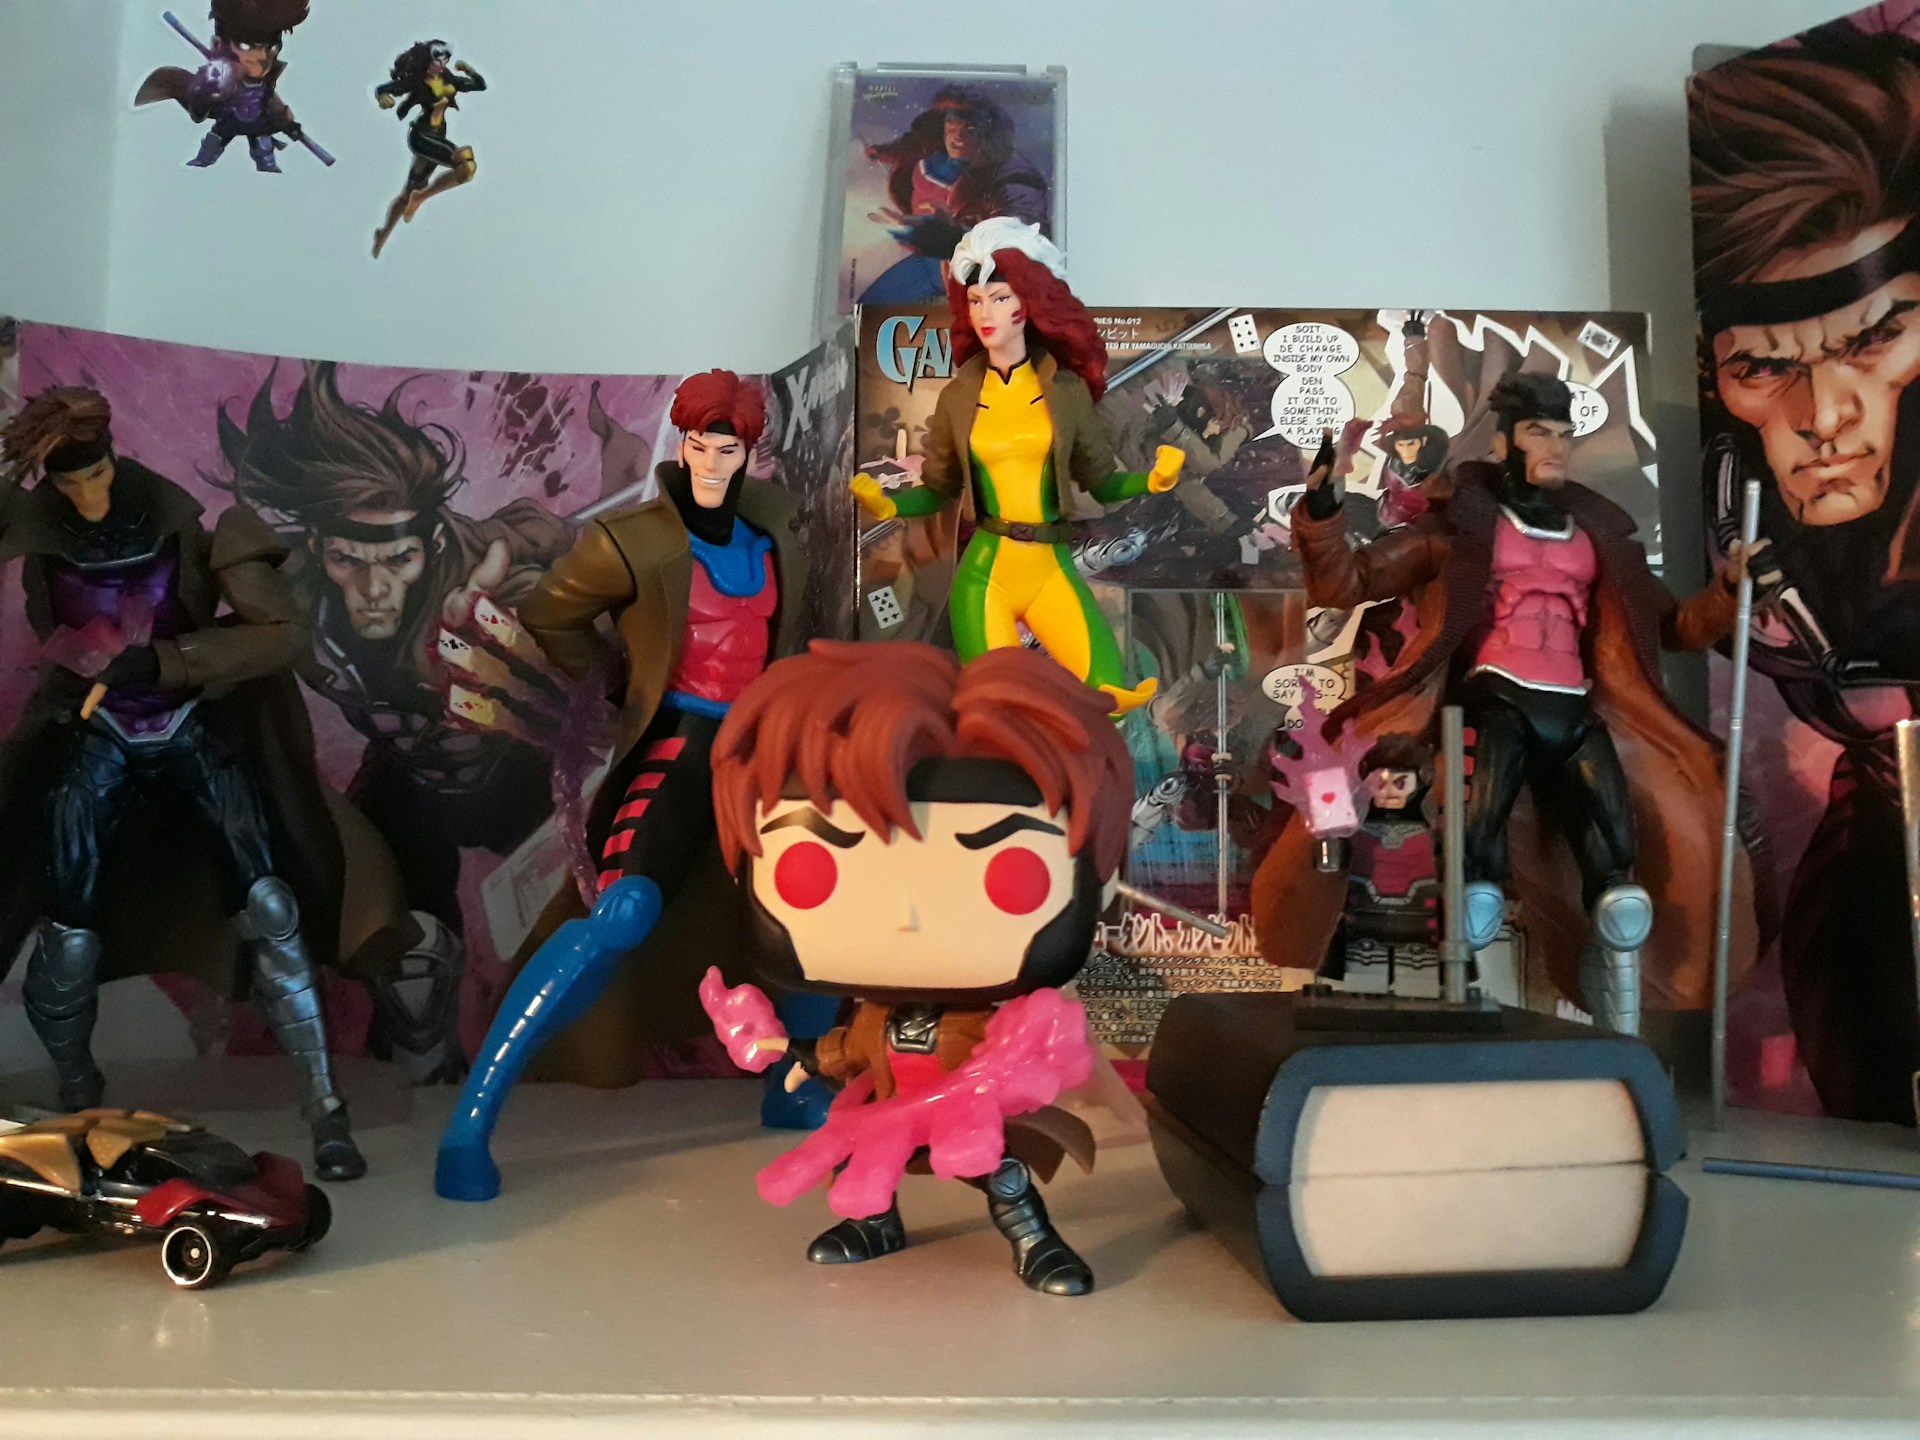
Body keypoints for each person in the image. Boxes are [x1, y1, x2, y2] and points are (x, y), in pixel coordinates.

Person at [1253, 374, 1761, 1035]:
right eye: (1539, 433)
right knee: (1482, 817)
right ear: (1502, 444)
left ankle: (1612, 922)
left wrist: (1728, 591)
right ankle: (1476, 889)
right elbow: (1349, 582)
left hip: (1574, 707)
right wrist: (1322, 511)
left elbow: (1677, 628)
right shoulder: (1456, 532)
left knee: (1615, 836)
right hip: (1494, 698)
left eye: (1564, 435)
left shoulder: (1600, 538)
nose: (1556, 447)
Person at [0, 387, 411, 1179]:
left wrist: (169, 662)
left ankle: (325, 1108)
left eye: (96, 474)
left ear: (114, 458)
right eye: (69, 481)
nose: (88, 496)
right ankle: (80, 1091)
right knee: (66, 935)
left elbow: (280, 635)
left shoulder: (191, 529)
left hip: (186, 724)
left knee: (273, 908)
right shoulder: (40, 535)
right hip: (97, 735)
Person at [435, 370, 810, 1201]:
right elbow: (553, 614)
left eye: (730, 449)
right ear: (684, 445)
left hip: (760, 748)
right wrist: (617, 685)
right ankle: (471, 1120)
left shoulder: (777, 532)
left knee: (810, 913)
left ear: (748, 454)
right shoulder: (633, 540)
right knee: (621, 914)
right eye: (701, 444)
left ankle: (797, 1085)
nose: (712, 462)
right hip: (677, 741)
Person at [709, 640, 1128, 1295]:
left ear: (1096, 883)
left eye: (1005, 872)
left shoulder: (990, 1020)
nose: (906, 914)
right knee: (861, 1168)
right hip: (887, 1112)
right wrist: (798, 1053)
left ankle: (1034, 1240)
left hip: (970, 1120)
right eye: (816, 871)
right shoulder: (873, 1016)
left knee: (1002, 1176)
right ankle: (874, 1225)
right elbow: (850, 1048)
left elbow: (1025, 1056)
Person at [217, 361, 573, 1084]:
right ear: (318, 549)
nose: (374, 588)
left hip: (516, 773)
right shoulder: (292, 602)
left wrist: (517, 636)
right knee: (402, 962)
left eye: (399, 559)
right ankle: (425, 1077)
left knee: (582, 926)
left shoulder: (484, 574)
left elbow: (549, 563)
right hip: (407, 783)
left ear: (431, 547)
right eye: (349, 560)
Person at [849, 217, 1185, 714]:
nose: (986, 312)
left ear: (1027, 303)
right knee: (997, 709)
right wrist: (887, 503)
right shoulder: (959, 395)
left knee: (1110, 696)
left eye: (1000, 297)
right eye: (976, 300)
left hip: (1051, 565)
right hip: (987, 573)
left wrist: (1152, 481)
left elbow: (1102, 481)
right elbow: (939, 488)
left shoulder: (1065, 390)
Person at [859, 87, 1049, 304]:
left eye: (970, 128)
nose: (958, 135)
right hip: (932, 262)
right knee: (868, 310)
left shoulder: (1012, 178)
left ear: (988, 134)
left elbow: (1022, 238)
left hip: (980, 276)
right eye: (952, 122)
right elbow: (911, 145)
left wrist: (956, 238)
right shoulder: (930, 155)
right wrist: (883, 152)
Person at [135, 0, 312, 173]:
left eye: (270, 48)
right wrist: (207, 93)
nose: (260, 57)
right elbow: (198, 113)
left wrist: (289, 125)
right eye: (245, 46)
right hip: (229, 119)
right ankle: (198, 167)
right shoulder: (217, 76)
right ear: (218, 45)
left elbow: (272, 103)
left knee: (264, 153)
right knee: (211, 147)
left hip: (257, 123)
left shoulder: (265, 82)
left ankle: (269, 171)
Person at [372, 40, 487, 258]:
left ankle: (384, 232)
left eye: (445, 59)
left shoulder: (449, 79)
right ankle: (421, 197)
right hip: (421, 136)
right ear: (426, 62)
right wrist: (383, 98)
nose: (442, 64)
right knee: (466, 165)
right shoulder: (417, 82)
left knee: (409, 191)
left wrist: (469, 70)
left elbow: (479, 85)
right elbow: (384, 89)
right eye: (437, 60)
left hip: (438, 135)